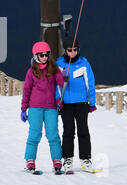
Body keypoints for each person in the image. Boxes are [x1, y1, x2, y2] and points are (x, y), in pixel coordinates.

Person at [20, 41, 65, 173]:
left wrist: (64, 77)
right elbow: (27, 90)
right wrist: (24, 108)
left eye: (46, 54)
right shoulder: (31, 72)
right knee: (34, 134)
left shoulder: (54, 68)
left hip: (51, 107)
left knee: (53, 134)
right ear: (36, 56)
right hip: (35, 107)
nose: (44, 57)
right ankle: (30, 160)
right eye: (41, 55)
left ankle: (57, 160)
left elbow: (61, 83)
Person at [55, 36, 96, 173]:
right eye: (70, 50)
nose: (73, 53)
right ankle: (67, 159)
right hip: (65, 103)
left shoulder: (84, 63)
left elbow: (89, 83)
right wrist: (57, 99)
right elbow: (55, 85)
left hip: (82, 103)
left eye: (75, 50)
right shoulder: (59, 64)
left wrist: (92, 102)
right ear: (65, 50)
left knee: (83, 130)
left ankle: (85, 159)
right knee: (68, 131)